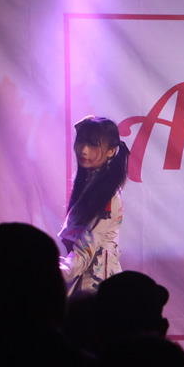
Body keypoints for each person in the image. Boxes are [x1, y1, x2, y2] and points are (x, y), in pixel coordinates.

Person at [60, 116, 129, 295]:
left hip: (95, 284)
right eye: (81, 142)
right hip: (82, 277)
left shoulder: (107, 194)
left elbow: (85, 251)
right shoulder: (89, 184)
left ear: (111, 151)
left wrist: (51, 274)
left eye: (93, 145)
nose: (84, 150)